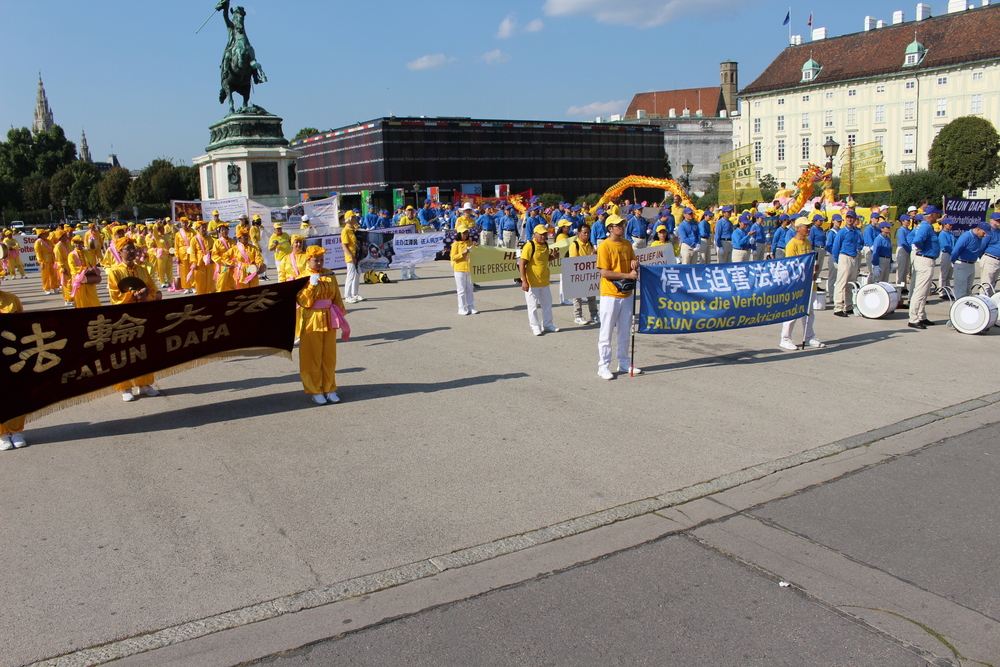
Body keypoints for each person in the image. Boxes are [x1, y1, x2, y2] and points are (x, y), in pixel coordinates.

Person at [106, 237, 163, 402]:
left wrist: (146, 294)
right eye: (128, 249)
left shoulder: (143, 269)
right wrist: (132, 295)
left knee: (144, 349)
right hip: (123, 317)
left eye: (133, 248)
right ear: (120, 252)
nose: (132, 251)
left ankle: (144, 384)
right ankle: (125, 387)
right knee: (125, 352)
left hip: (142, 313)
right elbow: (115, 296)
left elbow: (153, 288)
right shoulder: (114, 271)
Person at [297, 245, 347, 405]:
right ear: (308, 260)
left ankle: (329, 387)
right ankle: (314, 390)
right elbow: (303, 301)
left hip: (330, 318)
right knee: (312, 357)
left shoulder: (330, 274)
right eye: (315, 260)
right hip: (312, 319)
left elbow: (337, 296)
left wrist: (340, 315)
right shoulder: (303, 277)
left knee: (329, 356)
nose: (319, 263)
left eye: (321, 260)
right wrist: (311, 285)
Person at [596, 214, 639, 379]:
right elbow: (604, 272)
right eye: (617, 225)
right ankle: (603, 366)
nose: (621, 227)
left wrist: (635, 264)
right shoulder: (604, 246)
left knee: (625, 330)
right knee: (606, 331)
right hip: (610, 294)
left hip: (626, 293)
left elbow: (633, 262)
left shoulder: (627, 244)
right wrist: (628, 276)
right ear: (610, 228)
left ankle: (624, 362)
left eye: (622, 224)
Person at [779, 219, 825, 350]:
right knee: (792, 312)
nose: (809, 229)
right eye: (806, 226)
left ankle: (809, 336)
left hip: (809, 283)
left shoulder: (807, 242)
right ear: (798, 228)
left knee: (809, 312)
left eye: (810, 226)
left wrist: (813, 272)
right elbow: (791, 266)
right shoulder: (792, 244)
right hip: (797, 284)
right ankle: (785, 338)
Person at [0, 275, 28, 449]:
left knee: (15, 391)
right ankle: (2, 433)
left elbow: (24, 325)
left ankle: (16, 430)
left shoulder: (11, 299)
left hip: (12, 355)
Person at [519, 224, 560, 336]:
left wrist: (554, 257)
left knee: (547, 304)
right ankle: (535, 326)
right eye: (541, 234)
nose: (543, 236)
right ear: (535, 234)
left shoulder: (546, 245)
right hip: (532, 282)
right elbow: (522, 263)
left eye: (545, 234)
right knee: (532, 306)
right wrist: (524, 280)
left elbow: (545, 259)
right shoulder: (529, 246)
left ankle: (547, 325)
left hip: (544, 281)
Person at [908, 205, 942, 329]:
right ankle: (914, 318)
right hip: (924, 259)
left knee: (924, 290)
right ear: (932, 215)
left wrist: (917, 246)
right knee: (920, 290)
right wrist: (920, 246)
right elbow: (916, 239)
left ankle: (921, 315)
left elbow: (910, 237)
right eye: (937, 214)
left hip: (925, 259)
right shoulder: (926, 227)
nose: (938, 216)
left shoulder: (923, 226)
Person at [831, 210, 863, 317]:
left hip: (853, 257)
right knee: (841, 283)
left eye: (851, 217)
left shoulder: (855, 232)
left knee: (851, 283)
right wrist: (836, 259)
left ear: (854, 219)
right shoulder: (842, 231)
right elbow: (836, 246)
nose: (850, 219)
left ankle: (848, 306)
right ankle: (838, 307)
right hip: (844, 257)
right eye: (848, 217)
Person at [950, 222, 990, 298]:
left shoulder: (979, 237)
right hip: (962, 264)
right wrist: (953, 261)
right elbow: (956, 251)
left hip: (971, 264)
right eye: (984, 233)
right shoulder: (966, 236)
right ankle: (958, 308)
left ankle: (966, 308)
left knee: (968, 290)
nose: (985, 235)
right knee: (960, 290)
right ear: (978, 229)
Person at [569, 223, 599, 325]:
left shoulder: (590, 244)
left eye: (588, 233)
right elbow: (574, 261)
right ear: (579, 233)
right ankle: (578, 316)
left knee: (591, 296)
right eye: (584, 233)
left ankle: (594, 315)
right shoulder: (575, 245)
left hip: (588, 275)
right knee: (577, 297)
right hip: (578, 275)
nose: (587, 235)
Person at [67, 234, 102, 308]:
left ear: (83, 243)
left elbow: (92, 263)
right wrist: (84, 270)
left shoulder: (88, 253)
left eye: (80, 243)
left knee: (93, 295)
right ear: (73, 244)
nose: (78, 245)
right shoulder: (71, 255)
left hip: (89, 277)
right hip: (78, 279)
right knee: (81, 298)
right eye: (76, 243)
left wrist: (92, 269)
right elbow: (73, 267)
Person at [450, 223, 477, 315]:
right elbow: (453, 257)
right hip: (459, 269)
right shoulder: (455, 244)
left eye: (466, 233)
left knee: (470, 289)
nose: (465, 234)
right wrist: (462, 253)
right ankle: (461, 308)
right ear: (459, 234)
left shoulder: (469, 242)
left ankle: (471, 306)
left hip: (469, 268)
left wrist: (475, 247)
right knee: (461, 290)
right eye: (463, 233)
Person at [229, 224, 265, 289]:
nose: (246, 237)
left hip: (252, 269)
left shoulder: (253, 248)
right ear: (239, 238)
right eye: (244, 236)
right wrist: (233, 264)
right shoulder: (235, 248)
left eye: (247, 236)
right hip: (241, 271)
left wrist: (259, 264)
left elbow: (258, 257)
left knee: (254, 289)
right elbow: (225, 257)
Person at [189, 220, 217, 295]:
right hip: (199, 263)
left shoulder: (210, 239)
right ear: (198, 228)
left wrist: (210, 254)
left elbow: (213, 250)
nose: (204, 229)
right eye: (202, 227)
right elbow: (192, 252)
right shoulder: (194, 239)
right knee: (201, 281)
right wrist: (194, 262)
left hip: (209, 262)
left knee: (210, 280)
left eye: (205, 227)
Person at [341, 216, 362, 303]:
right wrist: (351, 256)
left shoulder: (352, 229)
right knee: (350, 275)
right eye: (353, 217)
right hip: (350, 256)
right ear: (349, 219)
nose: (355, 219)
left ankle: (355, 294)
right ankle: (347, 295)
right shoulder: (345, 231)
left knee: (357, 274)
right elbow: (344, 246)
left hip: (356, 254)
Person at [212, 223, 236, 292]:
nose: (224, 232)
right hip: (223, 266)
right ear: (219, 232)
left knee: (232, 283)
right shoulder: (217, 242)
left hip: (231, 265)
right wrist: (223, 262)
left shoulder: (232, 241)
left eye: (225, 230)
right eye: (222, 230)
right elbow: (214, 255)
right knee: (221, 283)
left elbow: (236, 252)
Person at [174, 217, 195, 293]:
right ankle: (186, 287)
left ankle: (193, 285)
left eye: (186, 223)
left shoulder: (192, 232)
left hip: (191, 253)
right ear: (180, 224)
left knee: (192, 269)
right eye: (183, 223)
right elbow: (176, 245)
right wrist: (177, 256)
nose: (184, 224)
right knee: (184, 271)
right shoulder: (178, 234)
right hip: (182, 254)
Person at [33, 229, 58, 294]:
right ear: (40, 235)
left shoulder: (49, 241)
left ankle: (54, 286)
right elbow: (38, 253)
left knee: (53, 274)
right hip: (44, 260)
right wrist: (41, 262)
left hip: (51, 259)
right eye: (45, 233)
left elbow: (54, 248)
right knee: (45, 275)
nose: (47, 234)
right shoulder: (38, 242)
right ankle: (46, 288)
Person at [980, 212, 1000, 290]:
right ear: (991, 220)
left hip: (997, 261)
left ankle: (989, 300)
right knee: (987, 284)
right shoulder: (988, 231)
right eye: (996, 220)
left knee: (993, 284)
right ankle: (983, 300)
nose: (998, 222)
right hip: (990, 259)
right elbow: (982, 246)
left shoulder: (998, 231)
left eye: (999, 220)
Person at [895, 214, 913, 290]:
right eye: (907, 220)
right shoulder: (901, 230)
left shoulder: (908, 230)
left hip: (907, 249)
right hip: (902, 249)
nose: (909, 221)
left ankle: (904, 286)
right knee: (901, 270)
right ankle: (898, 286)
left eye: (909, 220)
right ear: (902, 221)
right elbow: (902, 242)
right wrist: (909, 249)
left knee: (906, 270)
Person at [938, 218, 955, 291]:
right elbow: (945, 245)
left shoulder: (950, 233)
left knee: (949, 275)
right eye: (950, 224)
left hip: (951, 254)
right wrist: (953, 254)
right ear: (945, 225)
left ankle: (947, 290)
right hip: (945, 253)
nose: (951, 226)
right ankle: (942, 291)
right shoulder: (942, 234)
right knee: (943, 274)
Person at [825, 214, 841, 293]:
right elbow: (828, 245)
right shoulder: (831, 232)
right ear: (833, 221)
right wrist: (835, 253)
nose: (839, 222)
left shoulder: (841, 231)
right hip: (833, 256)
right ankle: (831, 295)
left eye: (840, 221)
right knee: (833, 277)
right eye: (837, 221)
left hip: (841, 256)